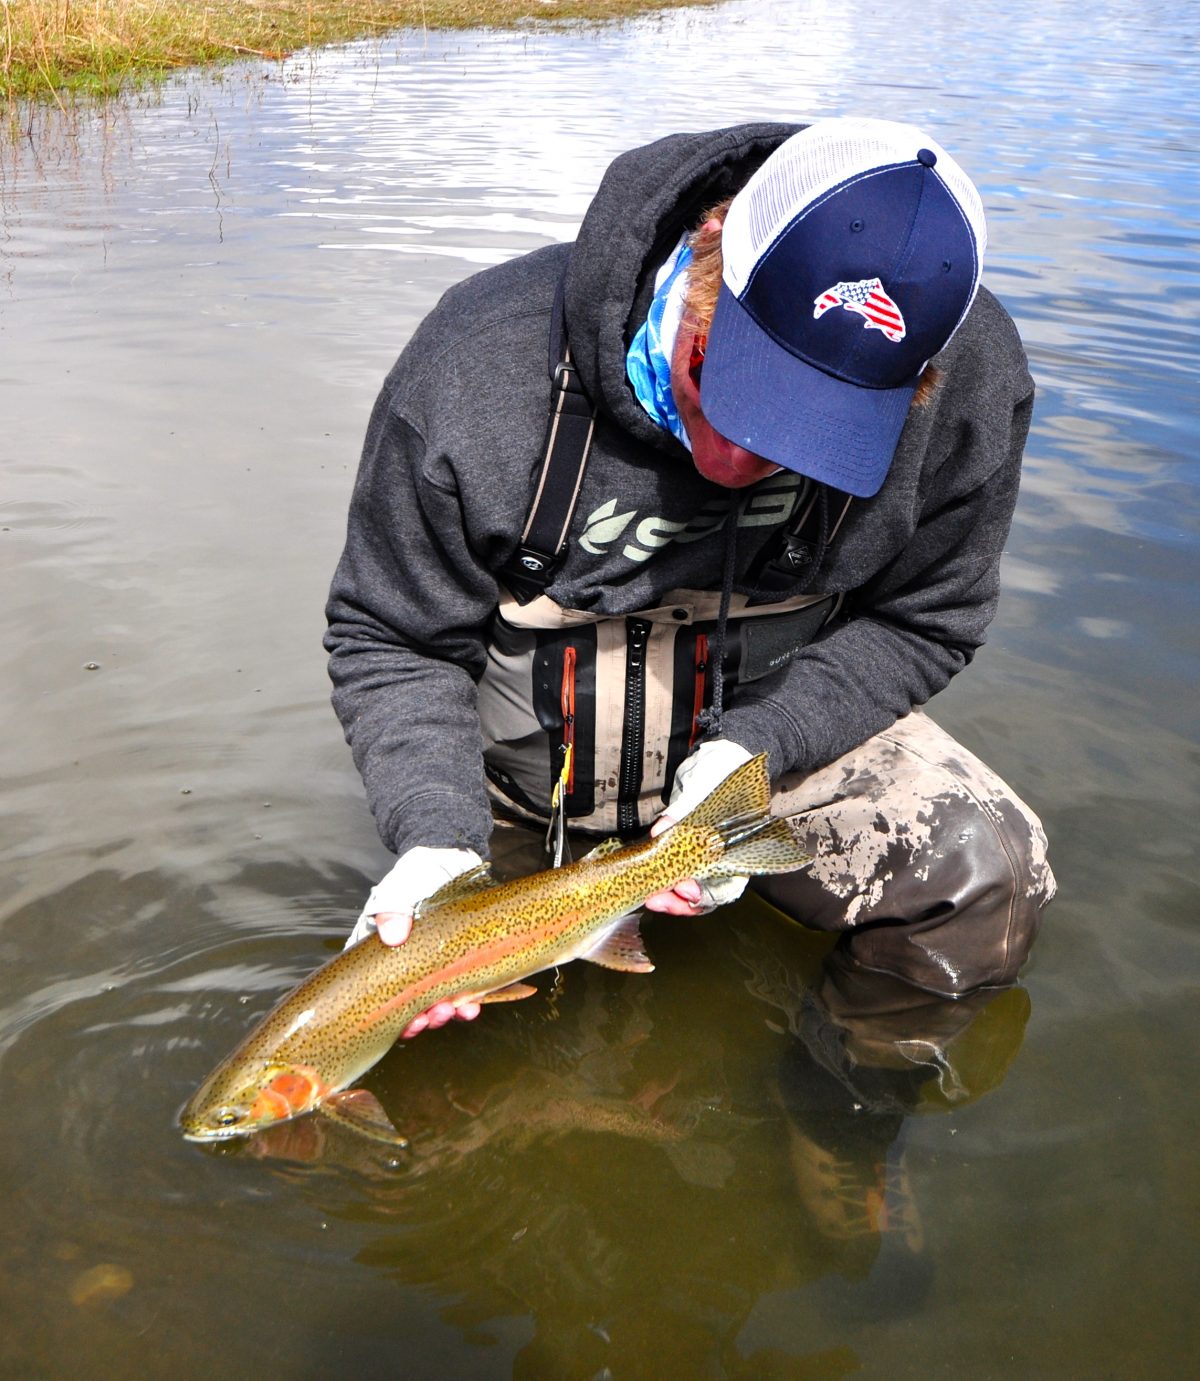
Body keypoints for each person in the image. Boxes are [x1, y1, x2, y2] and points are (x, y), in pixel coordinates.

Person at [324, 117, 1057, 1037]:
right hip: (512, 793)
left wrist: (759, 747)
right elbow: (390, 635)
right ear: (707, 251)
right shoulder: (478, 365)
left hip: (767, 769)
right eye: (729, 379)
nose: (742, 454)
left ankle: (840, 1132)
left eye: (815, 429)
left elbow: (929, 619)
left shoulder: (974, 390)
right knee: (401, 1027)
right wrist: (435, 834)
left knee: (990, 874)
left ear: (920, 378)